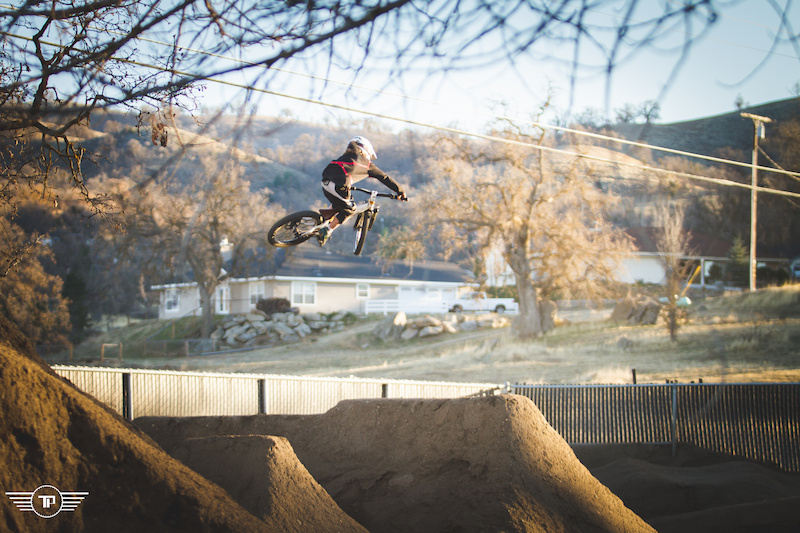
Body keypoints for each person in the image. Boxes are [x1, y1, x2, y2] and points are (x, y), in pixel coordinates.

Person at [317, 135, 406, 245]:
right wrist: (400, 191)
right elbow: (384, 178)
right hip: (338, 186)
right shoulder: (366, 164)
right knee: (350, 209)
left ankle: (321, 220)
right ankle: (328, 230)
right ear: (366, 150)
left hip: (325, 183)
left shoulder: (345, 157)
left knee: (342, 202)